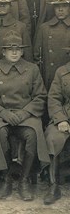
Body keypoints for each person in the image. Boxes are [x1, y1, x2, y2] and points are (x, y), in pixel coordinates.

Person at [0, 31, 48, 201]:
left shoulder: (32, 69)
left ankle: (24, 180)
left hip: (25, 113)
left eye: (18, 49)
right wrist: (3, 112)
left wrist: (24, 112)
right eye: (10, 49)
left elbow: (40, 96)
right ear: (3, 51)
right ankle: (6, 178)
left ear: (22, 51)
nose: (14, 52)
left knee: (33, 133)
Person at [43, 45, 70, 205]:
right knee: (53, 137)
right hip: (65, 116)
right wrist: (60, 119)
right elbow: (53, 98)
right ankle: (53, 186)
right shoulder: (62, 72)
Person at [33, 0, 70, 89]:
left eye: (64, 6)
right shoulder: (44, 28)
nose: (61, 9)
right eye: (57, 6)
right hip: (48, 76)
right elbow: (36, 56)